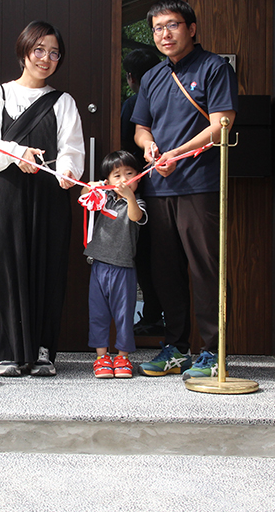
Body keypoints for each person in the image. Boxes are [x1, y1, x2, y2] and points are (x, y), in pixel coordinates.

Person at [131, 0, 237, 379]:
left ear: (191, 28)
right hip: (160, 187)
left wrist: (178, 152)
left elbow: (221, 124)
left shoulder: (214, 68)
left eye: (172, 25)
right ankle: (175, 347)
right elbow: (141, 126)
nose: (164, 34)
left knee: (206, 268)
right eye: (158, 28)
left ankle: (212, 351)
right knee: (165, 272)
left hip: (200, 185)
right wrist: (148, 146)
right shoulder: (152, 77)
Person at [0, 21, 85, 377]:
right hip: (5, 195)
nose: (46, 58)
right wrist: (17, 152)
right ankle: (7, 353)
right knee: (4, 270)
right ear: (24, 51)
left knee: (47, 269)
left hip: (49, 197)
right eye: (39, 50)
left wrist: (69, 171)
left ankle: (42, 353)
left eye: (54, 53)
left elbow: (72, 148)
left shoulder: (63, 101)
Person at [81, 150, 148, 379]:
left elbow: (135, 216)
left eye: (129, 174)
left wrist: (129, 196)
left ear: (138, 177)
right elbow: (84, 197)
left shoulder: (137, 201)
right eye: (117, 175)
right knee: (98, 314)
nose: (123, 180)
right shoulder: (105, 197)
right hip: (99, 264)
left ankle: (122, 357)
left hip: (124, 268)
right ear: (108, 180)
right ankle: (101, 357)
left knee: (123, 314)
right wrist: (93, 186)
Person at [121, 48, 164, 337]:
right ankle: (157, 314)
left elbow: (125, 144)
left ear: (131, 78)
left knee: (144, 255)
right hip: (166, 186)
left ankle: (150, 315)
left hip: (138, 187)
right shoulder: (163, 97)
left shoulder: (133, 104)